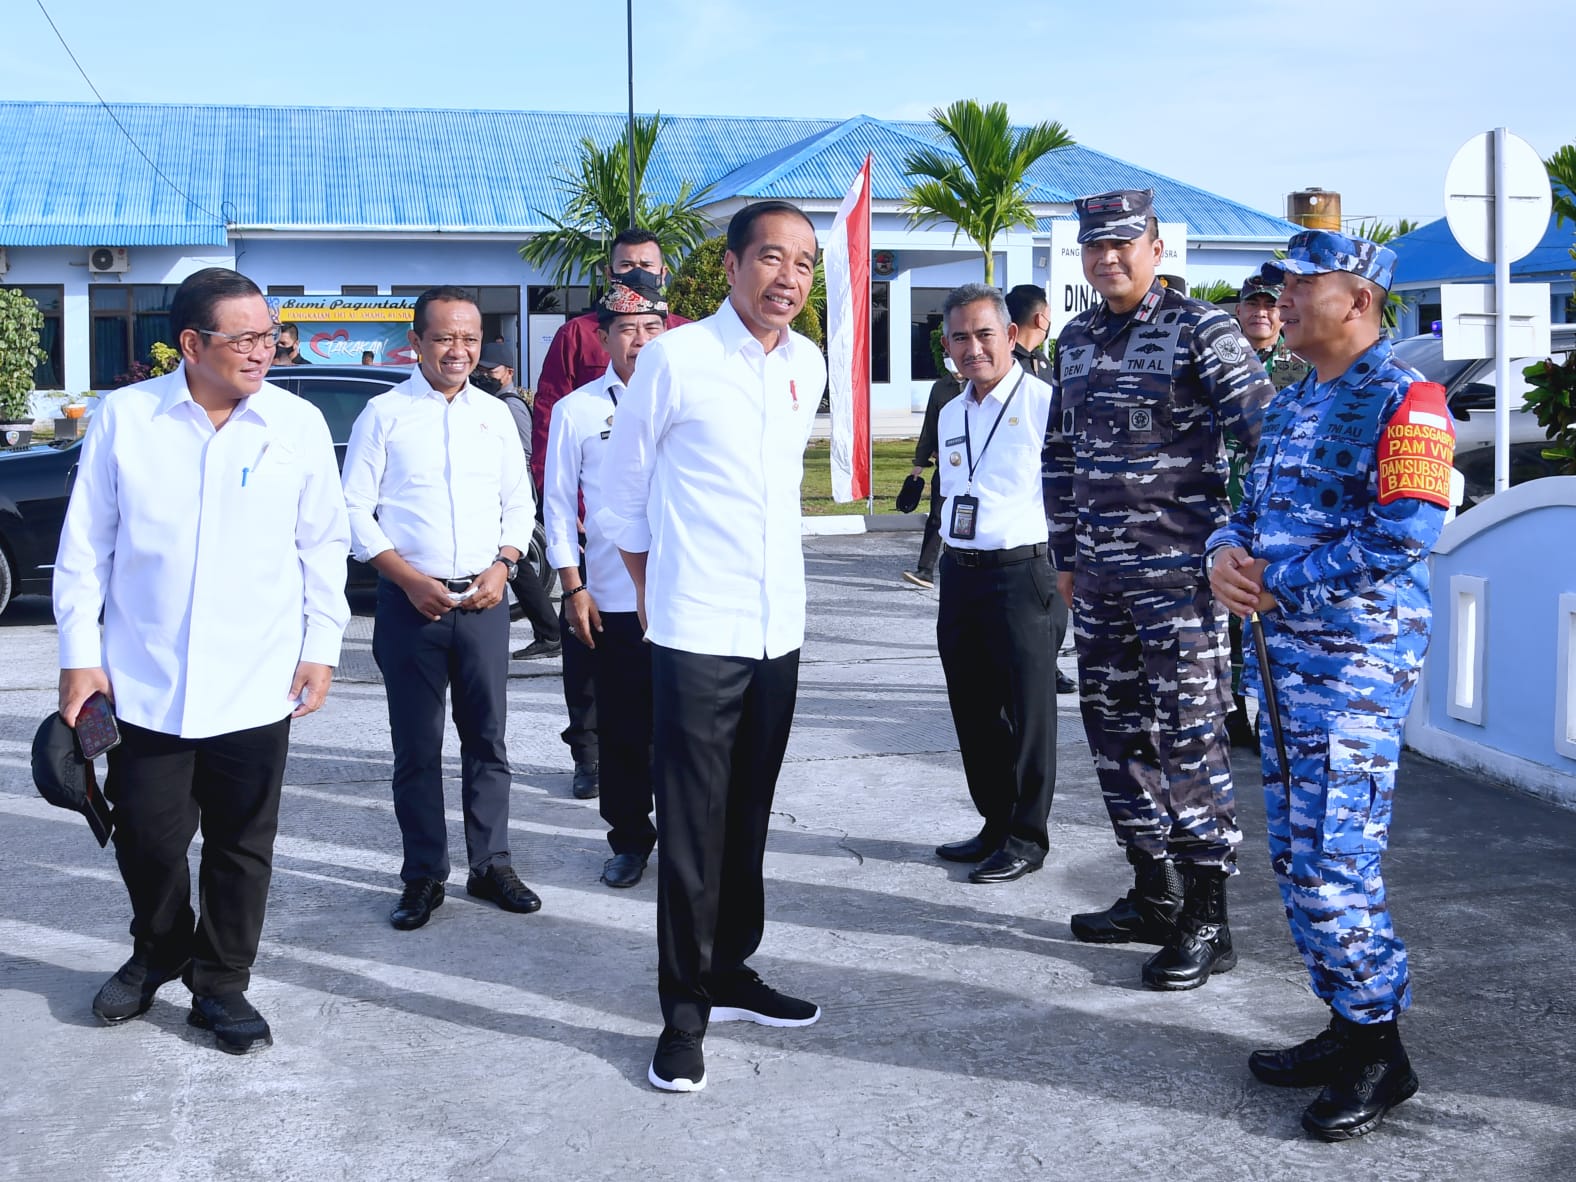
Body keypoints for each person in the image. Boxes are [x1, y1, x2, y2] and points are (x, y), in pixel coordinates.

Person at [53, 267, 350, 1054]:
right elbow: (85, 547)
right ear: (192, 344)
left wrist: (324, 645)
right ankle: (158, 948)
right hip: (146, 681)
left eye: (269, 335)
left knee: (242, 847)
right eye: (245, 337)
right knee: (145, 838)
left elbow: (323, 544)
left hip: (257, 682)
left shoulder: (297, 424)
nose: (264, 351)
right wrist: (80, 657)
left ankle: (221, 985)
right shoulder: (129, 419)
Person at [1207, 230, 1444, 1142]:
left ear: (1360, 301)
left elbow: (1406, 532)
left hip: (1353, 673)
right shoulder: (1297, 400)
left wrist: (1280, 578)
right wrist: (1223, 555)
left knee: (1338, 865)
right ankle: (1347, 1024)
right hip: (1282, 674)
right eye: (1285, 284)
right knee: (1300, 862)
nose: (1286, 298)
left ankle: (1383, 1054)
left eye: (1305, 285)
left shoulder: (1405, 398)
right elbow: (1244, 508)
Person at [600, 200, 827, 1093]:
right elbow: (622, 499)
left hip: (780, 631)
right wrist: (662, 600)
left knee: (748, 818)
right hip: (697, 633)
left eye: (805, 265)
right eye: (772, 258)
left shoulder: (804, 365)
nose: (789, 279)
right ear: (730, 268)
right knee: (690, 830)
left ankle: (731, 970)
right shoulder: (674, 358)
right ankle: (683, 1013)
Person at [1044, 189, 1274, 990]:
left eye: (1122, 243)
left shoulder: (1202, 330)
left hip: (1181, 583)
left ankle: (1209, 917)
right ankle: (1154, 890)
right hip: (1102, 582)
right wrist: (1066, 556)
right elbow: (1058, 457)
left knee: (1189, 737)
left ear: (1154, 246)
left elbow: (1265, 443)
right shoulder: (1074, 340)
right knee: (1113, 735)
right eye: (1094, 247)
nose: (1108, 258)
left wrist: (1246, 544)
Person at [341, 286, 542, 931]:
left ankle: (492, 865)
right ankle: (423, 876)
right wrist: (405, 579)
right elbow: (353, 510)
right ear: (417, 343)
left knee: (487, 740)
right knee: (417, 748)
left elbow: (520, 502)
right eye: (445, 339)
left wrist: (504, 564)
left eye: (471, 339)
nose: (459, 351)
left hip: (484, 601)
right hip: (412, 605)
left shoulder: (493, 414)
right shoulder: (383, 414)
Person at [929, 284, 1060, 886]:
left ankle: (1028, 835)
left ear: (1011, 335)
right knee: (973, 710)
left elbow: (1070, 493)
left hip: (1022, 573)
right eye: (960, 336)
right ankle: (995, 821)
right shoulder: (953, 409)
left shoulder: (1044, 402)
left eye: (984, 334)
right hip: (962, 573)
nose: (972, 347)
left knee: (1028, 714)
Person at [543, 274, 668, 888]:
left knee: (685, 729)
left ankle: (689, 839)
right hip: (615, 598)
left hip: (683, 598)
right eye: (626, 330)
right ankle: (629, 838)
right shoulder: (578, 411)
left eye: (651, 329)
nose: (639, 341)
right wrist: (573, 586)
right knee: (621, 728)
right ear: (603, 337)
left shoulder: (686, 400)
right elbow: (560, 506)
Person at [1222, 267, 1312, 747]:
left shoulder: (1300, 367)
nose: (1260, 313)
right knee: (1223, 620)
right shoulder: (1218, 365)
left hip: (1274, 510)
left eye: (1269, 306)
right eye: (1252, 305)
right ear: (1238, 312)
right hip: (1221, 510)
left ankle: (1265, 712)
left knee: (1265, 611)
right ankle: (1230, 709)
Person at [531, 227, 690, 492]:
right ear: (610, 274)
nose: (637, 273)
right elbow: (549, 417)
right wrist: (566, 499)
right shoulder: (577, 334)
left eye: (646, 265)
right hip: (598, 494)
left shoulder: (686, 335)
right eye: (626, 265)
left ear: (663, 274)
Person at [1004, 283, 1076, 696]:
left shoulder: (1050, 365)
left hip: (1054, 495)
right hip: (1020, 498)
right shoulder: (1003, 367)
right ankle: (1026, 665)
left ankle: (1048, 663)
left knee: (1055, 591)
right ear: (1040, 317)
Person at [477, 341, 566, 667]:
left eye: (491, 370)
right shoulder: (493, 401)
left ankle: (549, 632)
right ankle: (549, 631)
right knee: (519, 567)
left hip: (510, 495)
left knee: (516, 565)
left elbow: (524, 452)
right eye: (482, 369)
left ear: (509, 373)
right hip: (504, 495)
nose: (484, 374)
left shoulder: (509, 405)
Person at [899, 358, 960, 589]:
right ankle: (925, 570)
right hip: (947, 464)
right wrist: (920, 462)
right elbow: (930, 427)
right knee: (937, 516)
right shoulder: (940, 388)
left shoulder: (982, 384)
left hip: (980, 466)